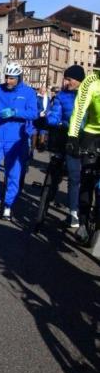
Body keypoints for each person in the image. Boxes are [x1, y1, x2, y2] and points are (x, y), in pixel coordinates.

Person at [0, 62, 38, 220]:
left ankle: (8, 205)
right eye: (6, 77)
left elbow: (33, 113)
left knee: (13, 174)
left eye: (12, 78)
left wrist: (15, 112)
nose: (8, 80)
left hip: (17, 140)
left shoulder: (28, 92)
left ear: (19, 77)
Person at [47, 65, 85, 228]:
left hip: (89, 139)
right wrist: (54, 120)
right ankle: (73, 212)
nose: (66, 82)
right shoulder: (62, 96)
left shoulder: (88, 95)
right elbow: (54, 115)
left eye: (69, 79)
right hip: (69, 139)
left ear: (78, 80)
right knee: (73, 176)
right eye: (65, 78)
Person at [66, 69, 100, 244]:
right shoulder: (91, 82)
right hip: (93, 135)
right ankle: (84, 222)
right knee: (87, 179)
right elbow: (79, 110)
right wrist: (73, 136)